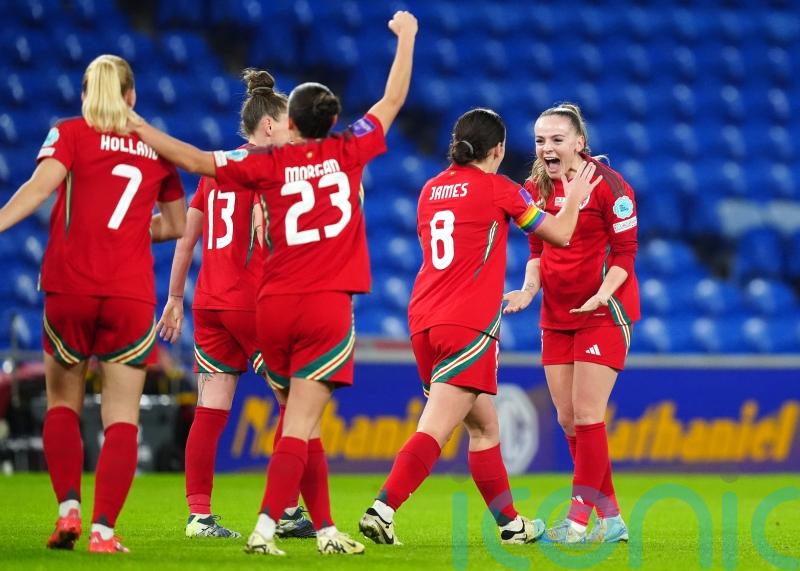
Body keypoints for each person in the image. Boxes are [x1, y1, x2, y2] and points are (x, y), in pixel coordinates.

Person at [128, 10, 418, 556]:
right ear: (330, 120)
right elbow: (393, 99)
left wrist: (140, 127)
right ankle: (299, 523)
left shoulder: (268, 166)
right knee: (300, 421)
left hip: (259, 302)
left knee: (230, 410)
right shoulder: (348, 151)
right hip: (309, 304)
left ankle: (213, 514)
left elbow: (195, 166)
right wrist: (407, 37)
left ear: (293, 123)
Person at [358, 108, 601, 546]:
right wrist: (576, 194)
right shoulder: (498, 188)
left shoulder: (430, 190)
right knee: (435, 427)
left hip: (423, 321)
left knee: (484, 428)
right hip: (467, 324)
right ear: (498, 149)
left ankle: (511, 525)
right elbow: (561, 234)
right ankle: (383, 509)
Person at [0, 54, 185, 553]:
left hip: (70, 289)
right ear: (132, 97)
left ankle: (68, 510)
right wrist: (133, 230)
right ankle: (103, 531)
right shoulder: (156, 147)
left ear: (85, 94)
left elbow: (39, 189)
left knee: (63, 403)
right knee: (121, 416)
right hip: (128, 293)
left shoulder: (69, 134)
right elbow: (175, 224)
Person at [156, 69, 313, 540]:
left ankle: (198, 516)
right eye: (287, 124)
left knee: (210, 409)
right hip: (254, 304)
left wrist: (174, 298)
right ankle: (287, 510)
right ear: (268, 125)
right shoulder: (270, 170)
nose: (291, 132)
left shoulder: (216, 170)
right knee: (296, 402)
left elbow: (187, 237)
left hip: (209, 304)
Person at [504, 102, 640, 544]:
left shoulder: (611, 186)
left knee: (587, 414)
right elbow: (537, 252)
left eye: (557, 139)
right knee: (567, 419)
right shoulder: (533, 188)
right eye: (540, 140)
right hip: (557, 315)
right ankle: (612, 519)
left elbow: (625, 254)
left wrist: (603, 294)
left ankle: (578, 521)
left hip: (603, 313)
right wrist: (528, 290)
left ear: (579, 142)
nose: (547, 148)